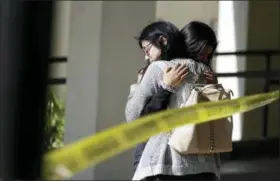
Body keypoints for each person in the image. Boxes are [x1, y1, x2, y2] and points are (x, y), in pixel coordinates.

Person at [125, 21, 219, 181]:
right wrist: (215, 90)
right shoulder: (205, 71)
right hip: (205, 163)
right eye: (204, 53)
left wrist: (157, 87)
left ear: (163, 41)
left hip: (162, 162)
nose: (146, 57)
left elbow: (133, 117)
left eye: (147, 50)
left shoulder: (157, 69)